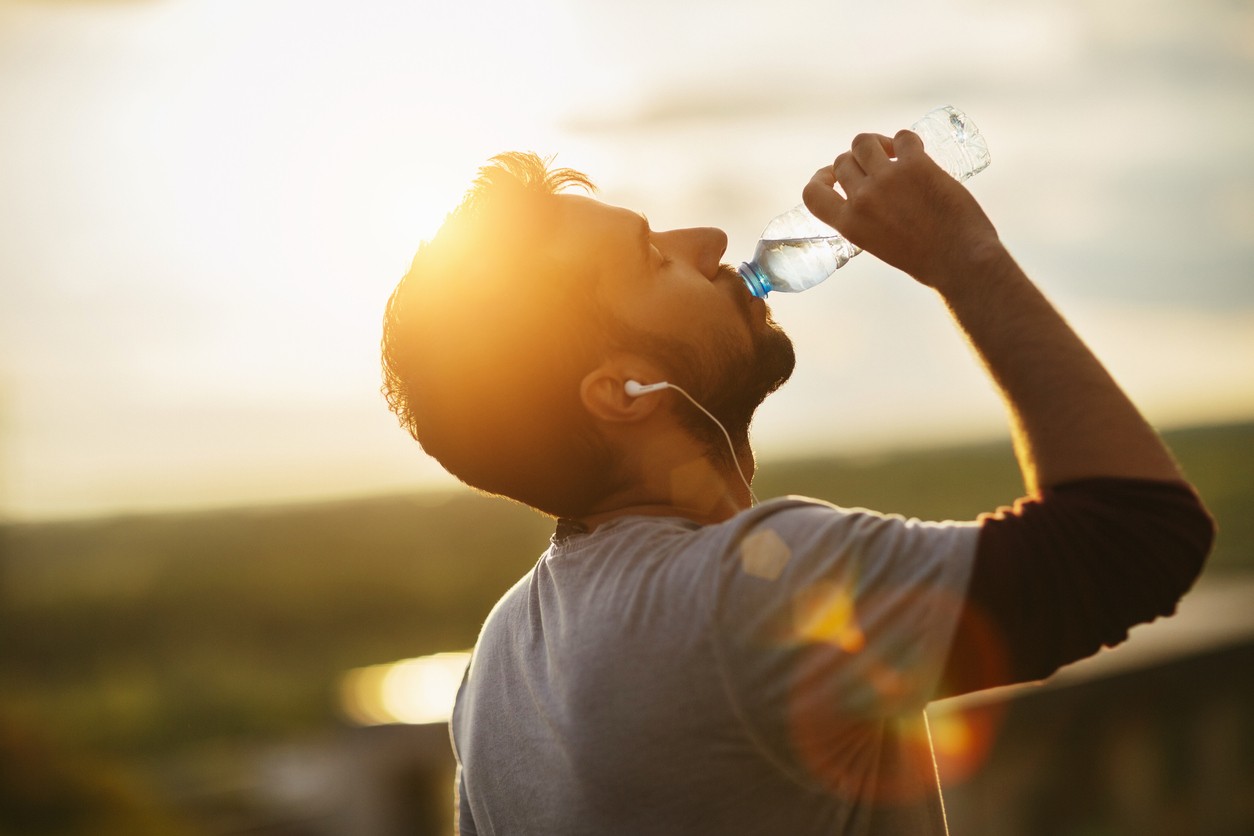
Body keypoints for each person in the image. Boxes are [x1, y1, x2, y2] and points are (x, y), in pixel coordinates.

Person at [380, 129, 1214, 835]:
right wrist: (965, 258)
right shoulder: (746, 591)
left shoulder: (495, 669)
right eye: (651, 256)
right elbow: (1133, 538)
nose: (706, 239)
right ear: (620, 392)